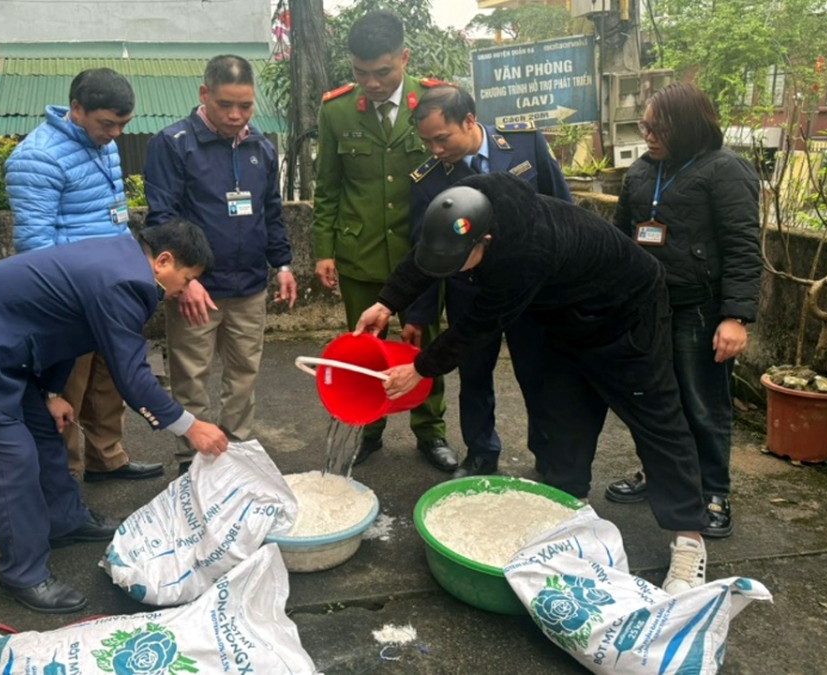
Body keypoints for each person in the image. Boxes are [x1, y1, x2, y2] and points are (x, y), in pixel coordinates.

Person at [355, 173, 710, 594]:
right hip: (563, 314)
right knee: (562, 414)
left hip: (626, 311)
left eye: (459, 264)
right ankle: (570, 508)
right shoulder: (467, 203)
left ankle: (689, 539)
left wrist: (421, 368)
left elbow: (478, 326)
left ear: (486, 240)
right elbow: (429, 253)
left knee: (656, 419)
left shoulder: (523, 253)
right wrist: (387, 300)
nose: (451, 273)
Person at [0, 220, 230, 613]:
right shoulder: (125, 282)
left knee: (43, 430)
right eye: (185, 279)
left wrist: (52, 393)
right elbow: (132, 377)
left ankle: (63, 519)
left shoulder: (117, 258)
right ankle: (22, 575)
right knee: (11, 458)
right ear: (164, 261)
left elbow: (67, 328)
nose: (180, 292)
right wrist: (191, 427)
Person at [604, 83, 761, 540]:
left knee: (703, 405)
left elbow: (743, 246)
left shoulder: (724, 170)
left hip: (698, 311)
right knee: (651, 400)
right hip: (647, 310)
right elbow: (619, 240)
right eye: (645, 127)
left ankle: (713, 492)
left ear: (689, 124)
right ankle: (658, 473)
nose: (648, 135)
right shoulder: (641, 171)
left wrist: (735, 316)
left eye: (658, 128)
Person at [311, 9, 457, 471]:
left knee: (423, 344)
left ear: (404, 58)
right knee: (363, 345)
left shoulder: (434, 103)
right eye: (360, 73)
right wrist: (323, 250)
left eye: (382, 72)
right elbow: (328, 187)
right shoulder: (336, 110)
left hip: (422, 254)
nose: (371, 83)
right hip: (360, 252)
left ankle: (430, 430)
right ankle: (368, 428)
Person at [405, 85, 573, 479]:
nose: (434, 149)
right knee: (474, 376)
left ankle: (549, 454)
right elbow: (425, 250)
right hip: (471, 294)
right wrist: (417, 314)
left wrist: (563, 290)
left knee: (538, 374)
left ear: (468, 121)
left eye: (441, 138)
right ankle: (481, 452)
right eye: (426, 141)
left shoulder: (524, 143)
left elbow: (563, 211)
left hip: (530, 294)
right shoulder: (428, 180)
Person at [5, 67, 164, 483]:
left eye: (122, 125)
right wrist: (65, 303)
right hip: (70, 298)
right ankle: (63, 479)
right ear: (76, 109)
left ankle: (106, 457)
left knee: (107, 381)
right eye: (106, 123)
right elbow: (35, 247)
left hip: (108, 291)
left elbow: (112, 218)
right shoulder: (36, 158)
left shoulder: (104, 146)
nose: (114, 133)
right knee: (65, 390)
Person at [143, 55, 296, 474]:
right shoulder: (174, 144)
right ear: (204, 94)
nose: (235, 115)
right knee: (190, 378)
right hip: (198, 290)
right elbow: (162, 218)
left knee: (243, 376)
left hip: (249, 287)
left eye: (245, 106)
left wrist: (282, 265)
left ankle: (237, 456)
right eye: (225, 104)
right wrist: (184, 283)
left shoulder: (260, 147)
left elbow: (271, 210)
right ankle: (191, 461)